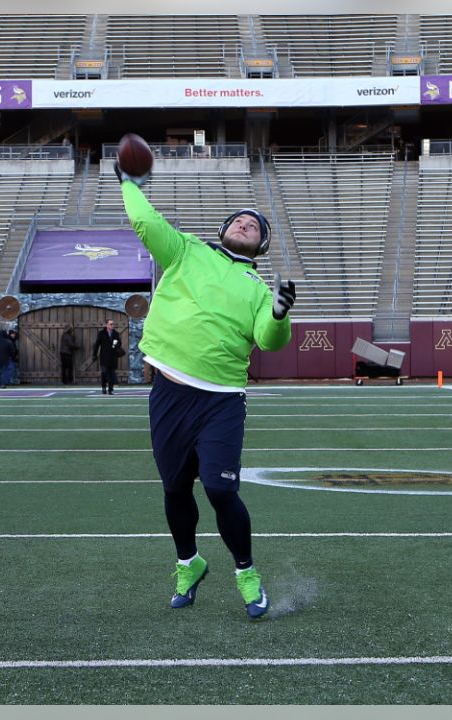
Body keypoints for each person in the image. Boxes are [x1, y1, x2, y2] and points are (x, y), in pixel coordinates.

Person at [116, 154, 296, 620]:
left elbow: (268, 341)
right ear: (222, 229)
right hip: (170, 393)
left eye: (254, 225)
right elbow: (143, 218)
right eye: (238, 219)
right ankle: (188, 563)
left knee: (219, 489)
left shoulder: (258, 288)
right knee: (175, 488)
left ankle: (246, 571)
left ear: (261, 246)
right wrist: (129, 181)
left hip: (221, 400)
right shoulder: (185, 250)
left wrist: (279, 314)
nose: (244, 223)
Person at [92, 319, 125, 394]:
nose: (112, 325)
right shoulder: (101, 333)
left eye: (113, 324)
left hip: (113, 356)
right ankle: (103, 387)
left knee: (111, 373)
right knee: (104, 372)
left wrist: (117, 344)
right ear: (106, 325)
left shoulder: (116, 334)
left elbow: (120, 344)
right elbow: (97, 345)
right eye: (110, 324)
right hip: (104, 356)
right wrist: (94, 354)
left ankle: (110, 389)